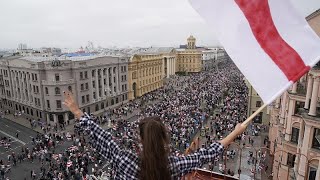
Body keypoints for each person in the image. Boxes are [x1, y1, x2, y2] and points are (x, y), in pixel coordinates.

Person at [63, 91, 247, 180]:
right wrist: (235, 132)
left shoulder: (124, 160)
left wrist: (77, 111)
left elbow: (102, 137)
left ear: (141, 138)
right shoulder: (174, 165)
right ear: (164, 138)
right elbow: (207, 153)